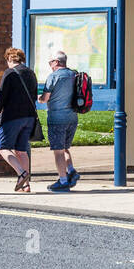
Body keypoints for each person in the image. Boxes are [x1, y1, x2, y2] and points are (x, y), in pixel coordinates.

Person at [0, 47, 38, 193]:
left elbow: (2, 96)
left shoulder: (9, 73)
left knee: (3, 147)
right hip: (29, 117)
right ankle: (26, 185)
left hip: (12, 117)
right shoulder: (31, 73)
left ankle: (21, 173)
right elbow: (35, 95)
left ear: (9, 58)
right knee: (22, 151)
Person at [38, 50, 79, 192]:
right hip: (72, 118)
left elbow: (45, 98)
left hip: (57, 119)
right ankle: (71, 171)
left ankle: (62, 181)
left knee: (58, 151)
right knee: (65, 147)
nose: (50, 65)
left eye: (50, 62)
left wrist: (39, 98)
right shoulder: (74, 75)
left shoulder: (53, 76)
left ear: (56, 62)